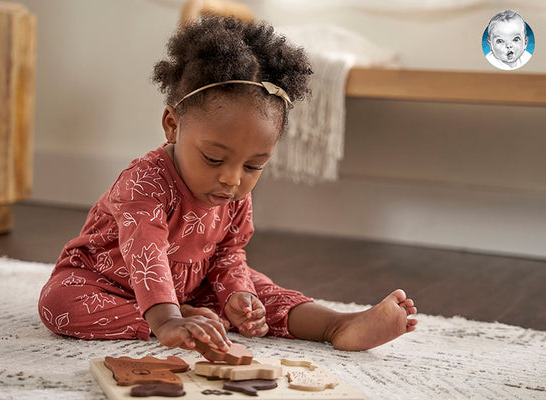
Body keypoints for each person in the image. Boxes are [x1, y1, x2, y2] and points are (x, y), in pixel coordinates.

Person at [38, 16, 417, 352]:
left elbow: (228, 254)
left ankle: (336, 324)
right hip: (108, 282)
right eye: (214, 159)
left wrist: (236, 294)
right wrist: (166, 318)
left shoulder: (232, 193)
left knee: (260, 289)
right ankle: (174, 320)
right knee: (58, 303)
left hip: (194, 286)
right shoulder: (143, 184)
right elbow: (146, 254)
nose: (232, 179)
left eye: (254, 165)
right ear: (173, 125)